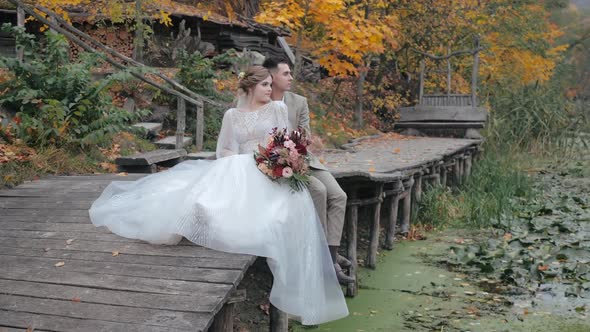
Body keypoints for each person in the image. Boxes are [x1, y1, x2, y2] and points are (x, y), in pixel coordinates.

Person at [89, 66, 348, 325]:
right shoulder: (232, 115)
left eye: (271, 84)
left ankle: (299, 288)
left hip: (271, 169)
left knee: (277, 218)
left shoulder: (278, 109)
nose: (270, 90)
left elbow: (284, 143)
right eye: (265, 85)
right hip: (241, 167)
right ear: (250, 88)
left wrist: (275, 163)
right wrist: (241, 164)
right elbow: (224, 149)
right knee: (203, 201)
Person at [263, 57, 354, 284]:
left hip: (305, 159)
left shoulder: (299, 101)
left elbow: (305, 134)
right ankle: (328, 261)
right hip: (278, 162)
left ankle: (331, 255)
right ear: (272, 77)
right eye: (286, 74)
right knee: (319, 191)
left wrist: (300, 142)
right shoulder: (260, 98)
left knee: (339, 195)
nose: (291, 77)